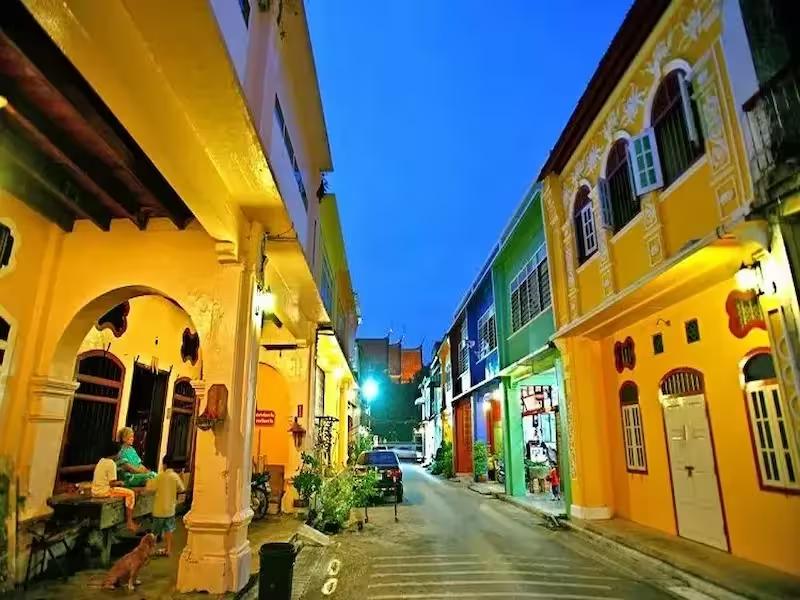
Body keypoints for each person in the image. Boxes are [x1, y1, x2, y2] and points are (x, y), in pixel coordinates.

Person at [92, 440, 138, 532]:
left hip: (94, 491)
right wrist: (121, 483)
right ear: (116, 453)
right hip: (104, 491)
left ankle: (129, 521)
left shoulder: (101, 461)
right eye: (120, 452)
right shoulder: (111, 463)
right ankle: (129, 521)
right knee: (131, 494)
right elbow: (112, 483)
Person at [150, 455, 185, 557]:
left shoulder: (159, 476)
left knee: (155, 532)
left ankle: (152, 549)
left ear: (164, 465)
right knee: (168, 530)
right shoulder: (175, 476)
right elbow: (182, 489)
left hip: (158, 510)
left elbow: (150, 487)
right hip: (170, 510)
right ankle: (168, 550)